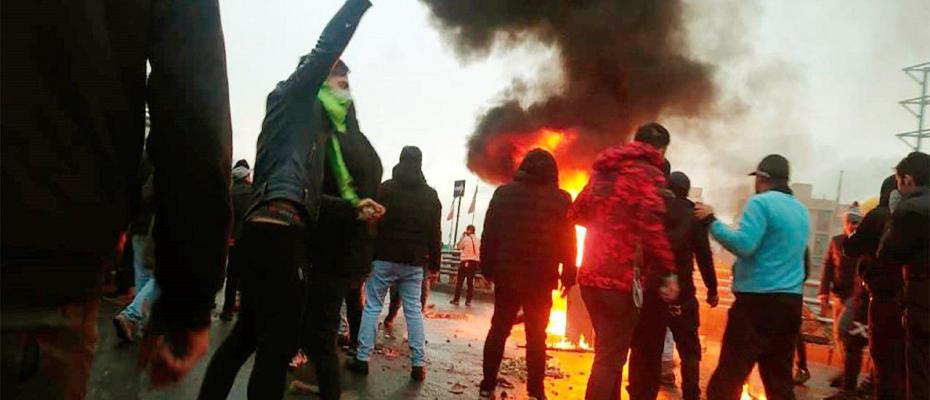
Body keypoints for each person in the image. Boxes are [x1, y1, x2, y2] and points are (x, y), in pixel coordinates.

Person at [1, 2, 232, 398]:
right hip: (40, 260)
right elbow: (191, 113)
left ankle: (131, 313)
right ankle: (132, 314)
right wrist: (188, 302)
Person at [198, 1, 381, 399]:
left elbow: (308, 193)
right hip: (283, 233)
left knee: (245, 335)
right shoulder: (295, 95)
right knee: (276, 344)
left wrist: (353, 206)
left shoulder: (293, 122)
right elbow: (326, 47)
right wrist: (358, 5)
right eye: (338, 84)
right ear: (317, 78)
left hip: (261, 228)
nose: (344, 94)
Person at [570, 123, 679, 400]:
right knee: (609, 358)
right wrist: (669, 272)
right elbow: (653, 227)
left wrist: (606, 224)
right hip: (620, 282)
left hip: (590, 276)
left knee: (608, 352)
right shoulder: (650, 175)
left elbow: (576, 213)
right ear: (661, 149)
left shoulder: (603, 170)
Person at [696, 154, 811, 400]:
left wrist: (711, 221)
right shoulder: (801, 211)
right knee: (779, 382)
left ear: (762, 178)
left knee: (728, 379)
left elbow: (744, 244)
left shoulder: (761, 203)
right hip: (790, 303)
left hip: (756, 305)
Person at [477, 149, 577, 400]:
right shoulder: (562, 199)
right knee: (537, 336)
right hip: (542, 278)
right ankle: (536, 391)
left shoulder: (503, 193)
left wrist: (487, 268)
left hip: (507, 275)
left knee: (498, 329)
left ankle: (487, 385)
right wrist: (569, 275)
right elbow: (568, 241)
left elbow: (490, 234)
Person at [348, 146, 442, 382]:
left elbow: (371, 222)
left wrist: (366, 253)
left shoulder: (386, 189)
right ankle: (419, 365)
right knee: (413, 312)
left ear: (400, 161)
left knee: (372, 307)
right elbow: (435, 233)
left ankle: (362, 358)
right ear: (420, 163)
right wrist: (435, 264)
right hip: (413, 263)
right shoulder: (431, 196)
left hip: (383, 257)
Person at [628, 170, 717, 400]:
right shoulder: (693, 218)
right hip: (683, 293)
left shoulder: (656, 212)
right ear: (686, 191)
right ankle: (691, 394)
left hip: (655, 289)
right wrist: (712, 289)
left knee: (649, 347)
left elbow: (643, 250)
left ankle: (641, 393)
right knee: (689, 349)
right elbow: (705, 256)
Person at [844, 175, 905, 400]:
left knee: (875, 354)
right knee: (902, 363)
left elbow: (850, 247)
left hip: (879, 297)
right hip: (909, 301)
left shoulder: (880, 215)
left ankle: (853, 390)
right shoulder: (916, 217)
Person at [878, 151, 929, 400]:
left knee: (919, 379)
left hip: (923, 307)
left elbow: (887, 255)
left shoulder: (911, 210)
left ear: (907, 179)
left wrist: (895, 213)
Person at [113, 155, 157, 343]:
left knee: (143, 277)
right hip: (154, 226)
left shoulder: (139, 162)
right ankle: (131, 316)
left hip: (137, 226)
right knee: (165, 275)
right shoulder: (164, 163)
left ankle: (139, 327)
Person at [817, 208, 864, 388]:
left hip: (856, 299)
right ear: (844, 224)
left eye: (856, 222)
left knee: (849, 336)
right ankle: (846, 372)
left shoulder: (865, 244)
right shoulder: (836, 241)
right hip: (839, 295)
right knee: (838, 335)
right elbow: (828, 265)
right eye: (849, 222)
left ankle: (849, 376)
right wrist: (823, 291)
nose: (852, 225)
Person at [220, 160, 255, 322]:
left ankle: (227, 310)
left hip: (230, 238)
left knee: (231, 275)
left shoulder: (229, 191)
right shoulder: (253, 192)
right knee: (249, 274)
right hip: (248, 239)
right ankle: (246, 312)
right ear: (247, 175)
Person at [452, 225, 482, 306]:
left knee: (460, 281)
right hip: (475, 263)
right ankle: (468, 301)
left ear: (469, 230)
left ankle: (456, 300)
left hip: (465, 261)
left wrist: (462, 236)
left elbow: (459, 247)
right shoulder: (478, 240)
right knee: (470, 282)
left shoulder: (466, 239)